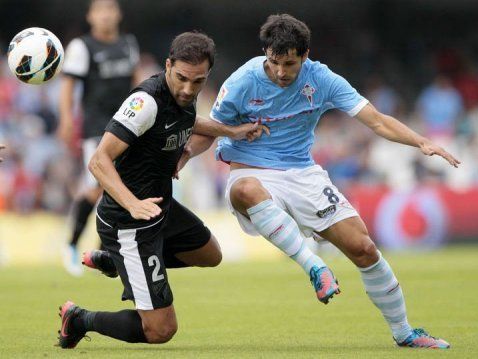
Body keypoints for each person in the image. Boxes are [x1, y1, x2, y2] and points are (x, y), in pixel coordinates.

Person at [205, 14, 457, 348]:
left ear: (305, 56)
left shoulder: (322, 80)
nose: (281, 71)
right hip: (251, 167)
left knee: (364, 249)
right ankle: (315, 267)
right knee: (244, 189)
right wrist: (177, 161)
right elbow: (206, 130)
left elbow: (377, 121)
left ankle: (405, 332)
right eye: (274, 62)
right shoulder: (242, 81)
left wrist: (420, 141)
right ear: (265, 52)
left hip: (303, 173)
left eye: (290, 63)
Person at [56, 31, 265, 349]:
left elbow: (188, 119)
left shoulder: (184, 94)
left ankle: (116, 262)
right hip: (129, 222)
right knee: (160, 330)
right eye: (181, 78)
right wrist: (132, 204)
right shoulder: (145, 103)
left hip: (160, 208)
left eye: (197, 82)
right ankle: (80, 318)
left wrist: (230, 131)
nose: (187, 89)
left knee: (210, 255)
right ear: (168, 65)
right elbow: (98, 161)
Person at [58, 0, 141, 276]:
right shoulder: (82, 47)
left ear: (118, 14)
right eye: (100, 10)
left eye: (110, 9)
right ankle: (72, 245)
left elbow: (137, 84)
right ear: (90, 16)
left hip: (127, 127)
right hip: (97, 129)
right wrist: (67, 119)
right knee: (99, 187)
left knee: (118, 187)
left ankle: (102, 251)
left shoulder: (129, 43)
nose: (106, 15)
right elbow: (68, 85)